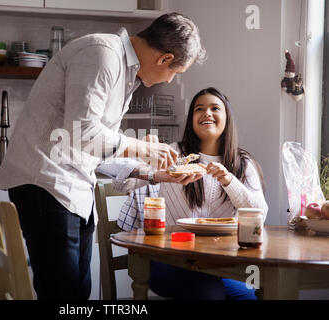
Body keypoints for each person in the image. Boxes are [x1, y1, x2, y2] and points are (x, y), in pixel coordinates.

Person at [0, 13, 206, 300]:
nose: (169, 79)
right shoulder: (102, 54)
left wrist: (155, 174)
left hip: (69, 191)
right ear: (165, 59)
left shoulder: (125, 72)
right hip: (46, 184)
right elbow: (83, 133)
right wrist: (141, 147)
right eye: (176, 73)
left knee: (77, 294)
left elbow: (96, 150)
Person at [96, 87, 268, 300]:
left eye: (215, 108)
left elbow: (259, 214)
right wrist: (146, 157)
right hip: (169, 260)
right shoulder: (173, 154)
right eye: (199, 109)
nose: (207, 113)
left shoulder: (242, 163)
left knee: (247, 297)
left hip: (222, 264)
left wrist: (228, 180)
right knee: (209, 294)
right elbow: (122, 184)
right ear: (191, 119)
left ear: (227, 118)